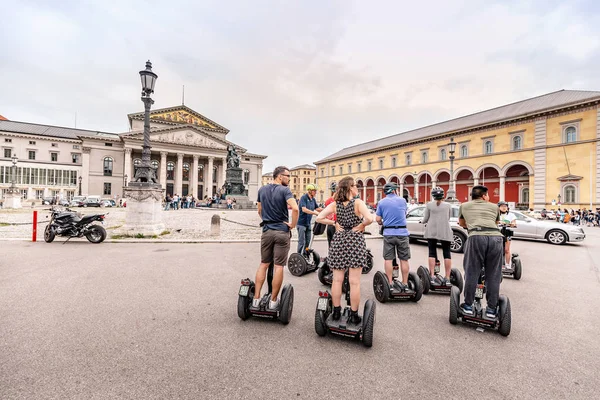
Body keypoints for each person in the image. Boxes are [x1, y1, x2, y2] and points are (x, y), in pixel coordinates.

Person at [316, 177, 372, 324]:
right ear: (350, 188)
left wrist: (334, 223)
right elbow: (370, 218)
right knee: (354, 282)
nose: (357, 188)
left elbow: (319, 218)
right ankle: (353, 315)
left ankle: (335, 312)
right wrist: (361, 225)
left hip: (339, 240)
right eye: (355, 185)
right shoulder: (358, 203)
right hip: (355, 241)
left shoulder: (335, 204)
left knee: (337, 280)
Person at [253, 166, 299, 310]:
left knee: (264, 264)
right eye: (288, 176)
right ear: (280, 176)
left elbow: (259, 210)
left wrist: (266, 219)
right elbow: (295, 208)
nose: (289, 179)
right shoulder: (285, 190)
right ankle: (273, 301)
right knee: (279, 266)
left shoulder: (261, 190)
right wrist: (292, 224)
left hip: (267, 231)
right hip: (281, 231)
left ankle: (256, 299)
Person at [458, 185, 504, 318]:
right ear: (484, 196)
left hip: (476, 237)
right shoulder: (494, 206)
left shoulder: (464, 205)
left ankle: (467, 306)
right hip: (496, 238)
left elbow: (462, 223)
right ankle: (491, 309)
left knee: (472, 272)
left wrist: (472, 223)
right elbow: (496, 222)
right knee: (493, 275)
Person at [375, 182, 412, 292]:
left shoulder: (381, 202)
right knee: (404, 259)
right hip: (402, 233)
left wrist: (382, 222)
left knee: (388, 259)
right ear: (395, 190)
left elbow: (377, 219)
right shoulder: (403, 200)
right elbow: (404, 213)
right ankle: (405, 283)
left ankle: (390, 283)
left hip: (389, 233)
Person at [422, 187, 453, 286]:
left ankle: (431, 276)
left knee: (432, 252)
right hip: (445, 229)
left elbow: (426, 218)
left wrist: (422, 222)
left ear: (433, 195)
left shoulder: (429, 205)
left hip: (432, 229)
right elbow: (448, 217)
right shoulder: (448, 205)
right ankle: (447, 277)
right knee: (447, 253)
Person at [296, 184, 322, 255]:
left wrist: (325, 210)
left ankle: (305, 254)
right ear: (310, 191)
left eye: (315, 191)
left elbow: (317, 208)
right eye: (314, 191)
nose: (315, 192)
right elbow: (304, 209)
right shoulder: (303, 198)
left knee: (308, 241)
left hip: (308, 224)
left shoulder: (313, 199)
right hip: (301, 224)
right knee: (301, 241)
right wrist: (315, 213)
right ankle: (298, 255)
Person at [497, 201, 517, 270]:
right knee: (496, 249)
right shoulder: (496, 214)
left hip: (507, 233)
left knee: (507, 250)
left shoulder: (511, 215)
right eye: (502, 206)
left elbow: (514, 223)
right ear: (499, 207)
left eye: (505, 206)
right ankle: (495, 264)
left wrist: (512, 224)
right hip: (497, 233)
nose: (504, 208)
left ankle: (508, 265)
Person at [324, 182, 337, 249]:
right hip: (335, 224)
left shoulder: (327, 201)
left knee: (330, 243)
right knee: (336, 244)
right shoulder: (338, 200)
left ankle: (330, 257)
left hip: (329, 225)